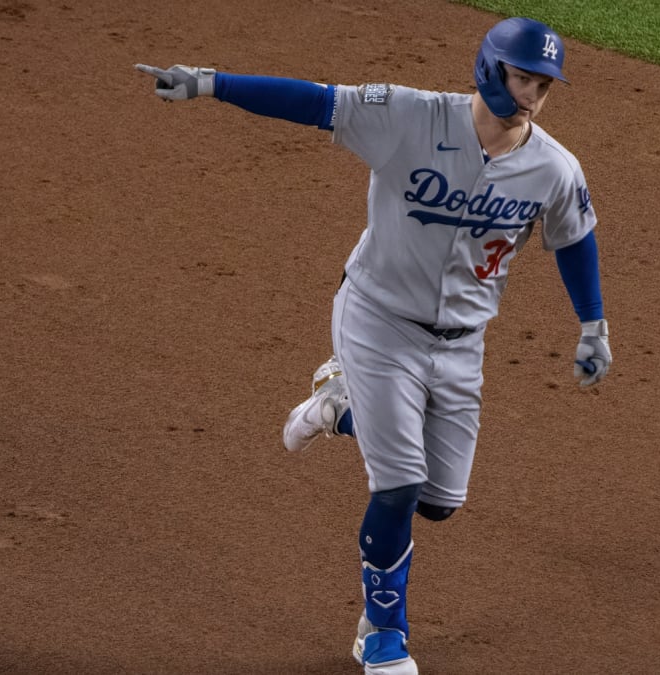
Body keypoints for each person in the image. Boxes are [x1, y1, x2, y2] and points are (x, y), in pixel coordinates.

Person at [136, 16, 611, 675]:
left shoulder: (555, 169)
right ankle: (382, 631)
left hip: (461, 346)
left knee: (440, 501)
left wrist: (593, 323)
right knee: (399, 483)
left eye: (544, 84)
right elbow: (316, 101)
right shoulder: (410, 118)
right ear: (489, 68)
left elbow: (575, 236)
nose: (533, 93)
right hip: (377, 321)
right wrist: (212, 84)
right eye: (523, 77)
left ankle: (340, 405)